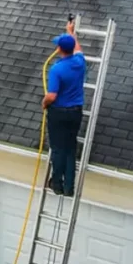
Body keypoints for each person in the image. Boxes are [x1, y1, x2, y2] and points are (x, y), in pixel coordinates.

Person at [42, 20, 86, 197]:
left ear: (59, 49)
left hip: (59, 113)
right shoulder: (79, 62)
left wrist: (44, 103)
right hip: (75, 112)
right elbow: (78, 49)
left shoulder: (57, 69)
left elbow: (52, 95)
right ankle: (69, 187)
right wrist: (70, 32)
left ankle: (57, 184)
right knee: (69, 149)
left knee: (58, 149)